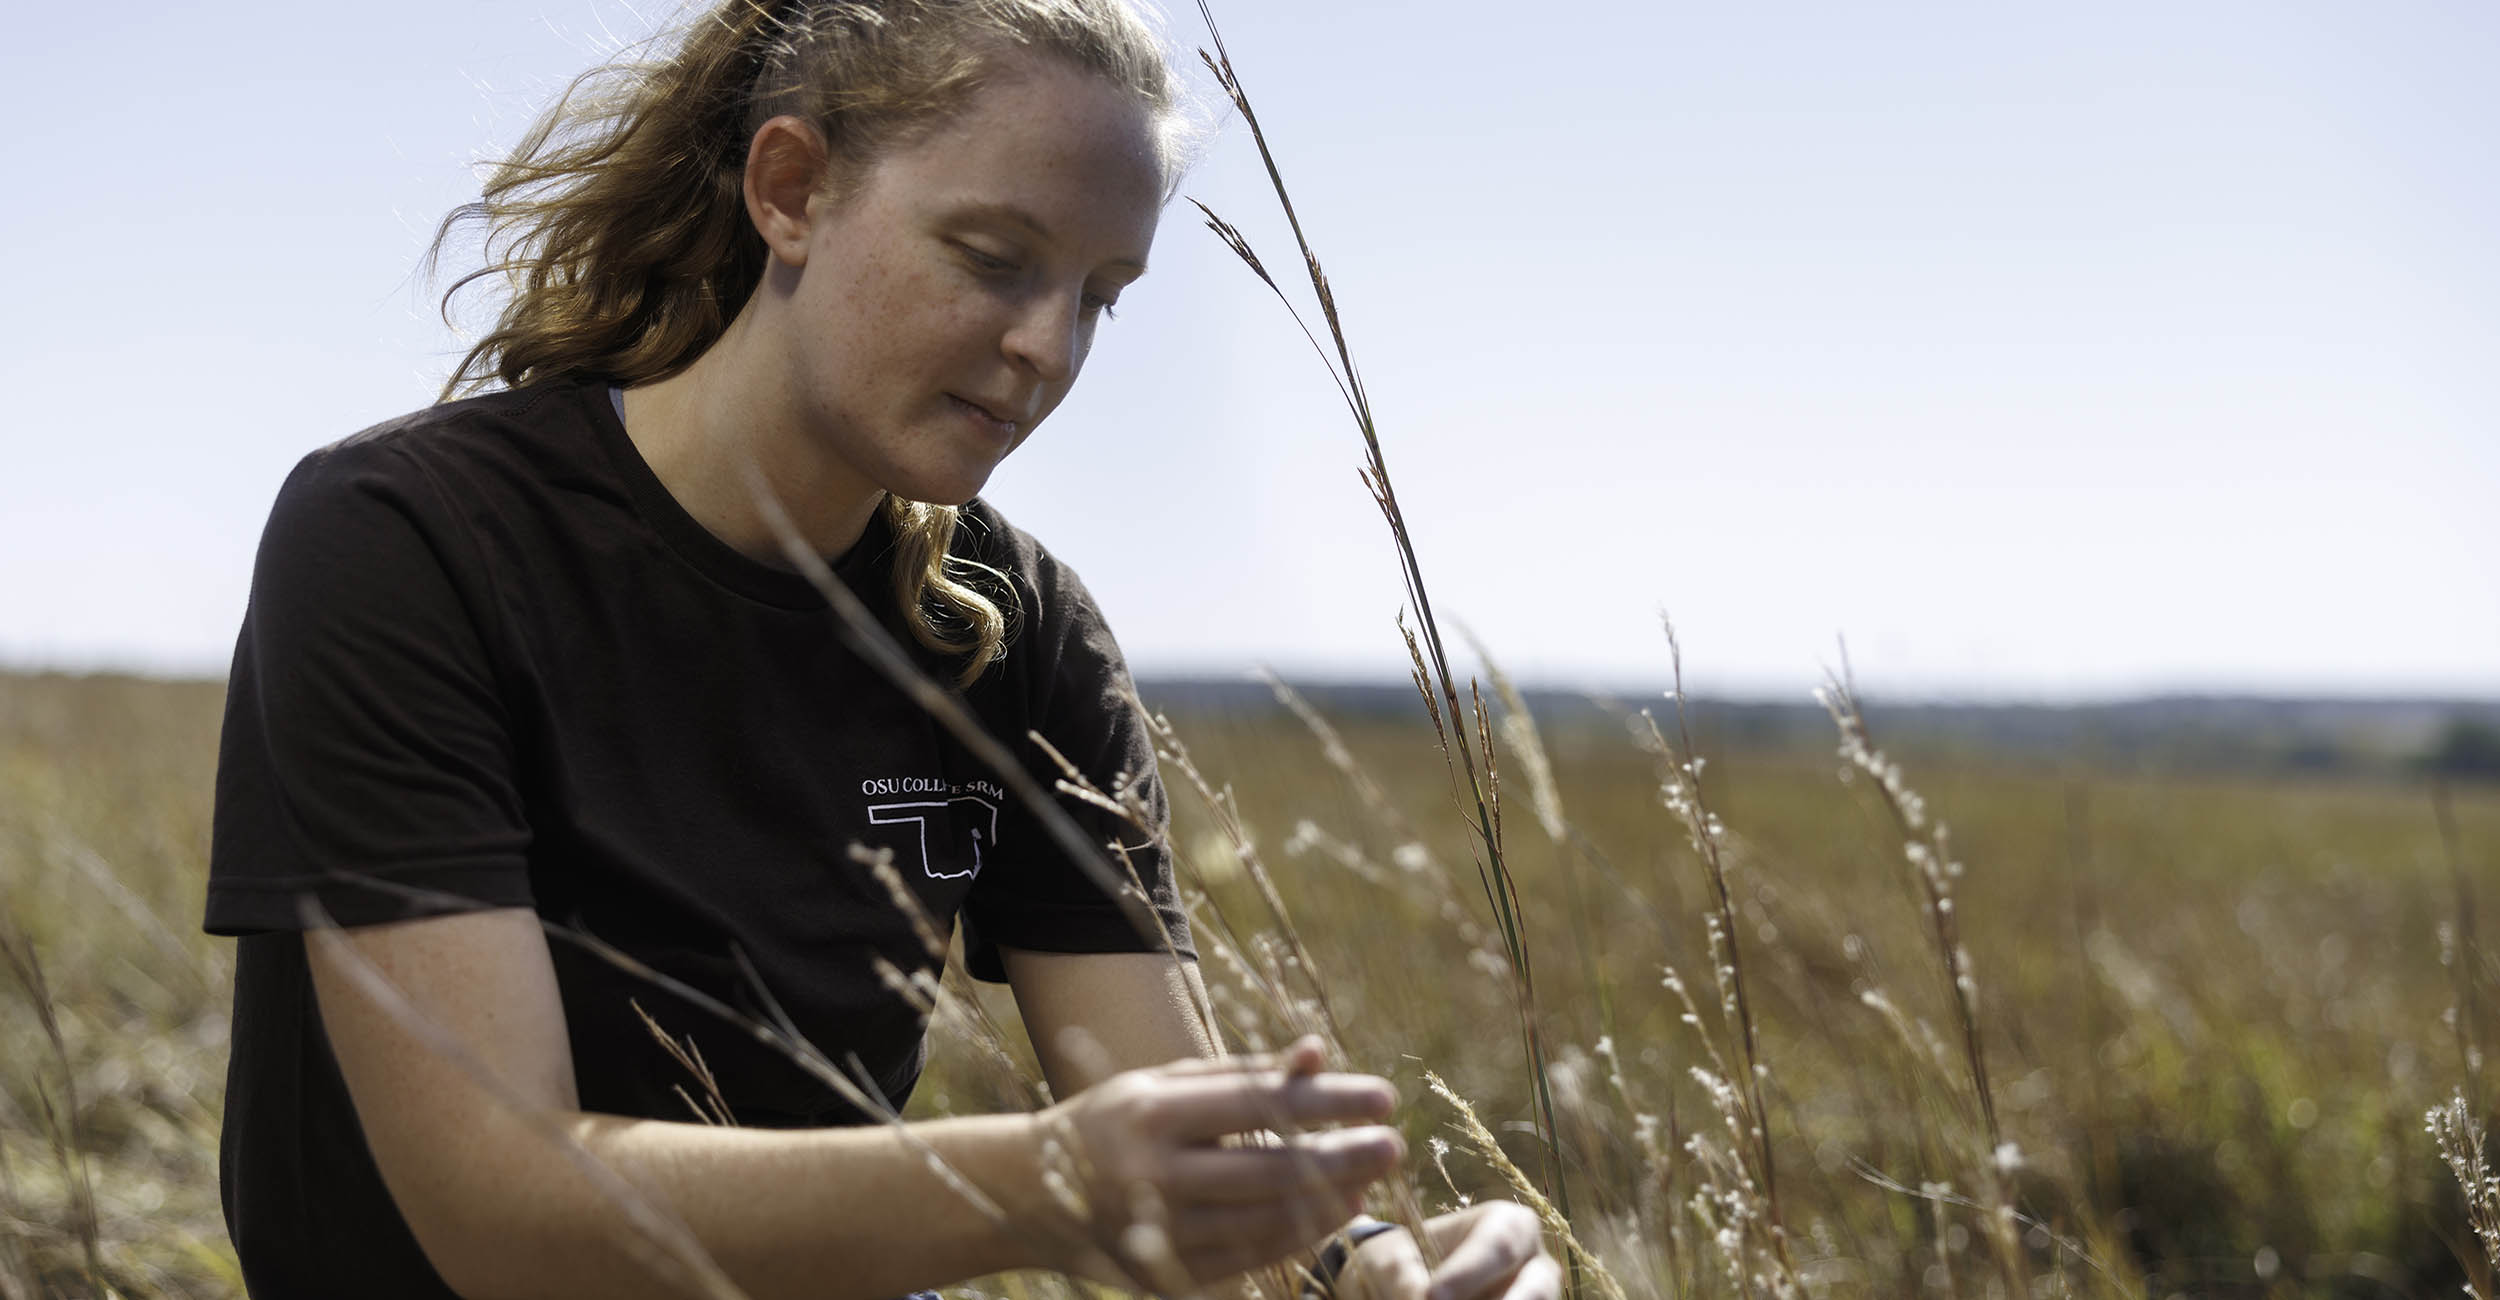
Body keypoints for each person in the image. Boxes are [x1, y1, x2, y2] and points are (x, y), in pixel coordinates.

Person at [201, 2, 1563, 1298]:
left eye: (1103, 294)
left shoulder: (1016, 627)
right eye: (992, 258)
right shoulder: (407, 542)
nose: (1047, 349)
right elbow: (498, 1212)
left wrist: (1362, 1255)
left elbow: (1173, 1134)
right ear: (789, 190)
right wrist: (1033, 1188)